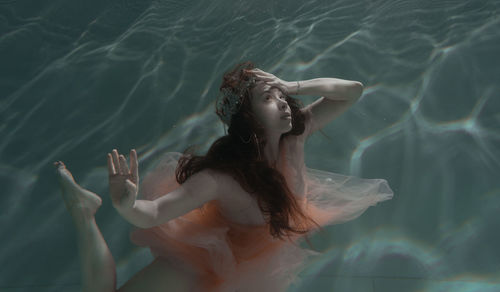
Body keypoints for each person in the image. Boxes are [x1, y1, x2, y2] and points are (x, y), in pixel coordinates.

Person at [54, 61, 394, 292]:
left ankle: (82, 212)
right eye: (268, 97)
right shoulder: (223, 178)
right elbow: (153, 214)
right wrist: (124, 203)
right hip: (208, 254)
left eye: (282, 96)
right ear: (248, 118)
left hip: (265, 251)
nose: (283, 101)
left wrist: (293, 84)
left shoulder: (295, 137)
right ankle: (84, 213)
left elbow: (353, 90)